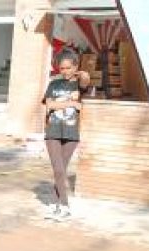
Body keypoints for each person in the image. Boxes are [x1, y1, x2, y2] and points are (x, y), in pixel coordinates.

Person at [42, 49, 90, 221]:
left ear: (75, 66)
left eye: (68, 68)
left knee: (61, 171)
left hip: (71, 133)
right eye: (62, 68)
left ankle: (56, 205)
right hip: (53, 131)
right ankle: (65, 206)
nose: (65, 71)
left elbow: (86, 79)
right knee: (59, 169)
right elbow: (49, 105)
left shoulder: (78, 84)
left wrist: (81, 73)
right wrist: (71, 103)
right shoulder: (53, 84)